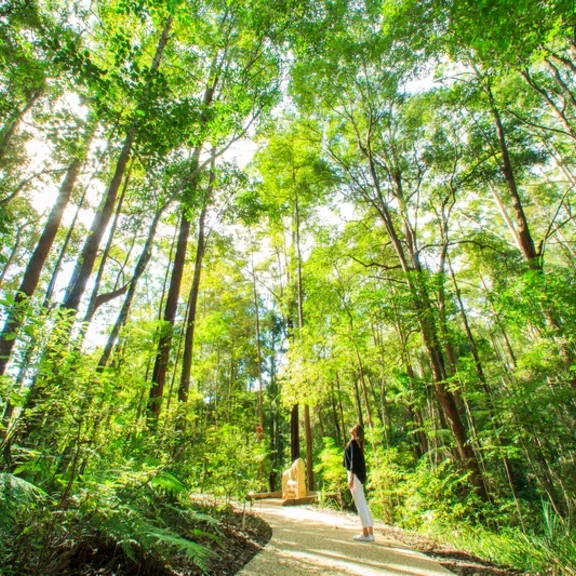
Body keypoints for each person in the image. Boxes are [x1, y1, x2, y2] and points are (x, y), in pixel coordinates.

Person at [343, 424, 374, 542]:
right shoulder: (358, 445)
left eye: (353, 428)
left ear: (355, 432)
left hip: (354, 475)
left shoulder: (353, 444)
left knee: (360, 504)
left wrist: (350, 477)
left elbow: (352, 462)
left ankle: (366, 533)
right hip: (357, 476)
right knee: (363, 503)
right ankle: (370, 532)